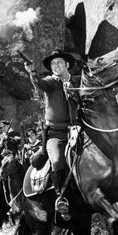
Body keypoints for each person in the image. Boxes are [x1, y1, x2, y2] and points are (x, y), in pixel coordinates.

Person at [24, 49, 80, 221]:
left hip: (78, 130)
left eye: (59, 63)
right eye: (53, 64)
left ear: (67, 65)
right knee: (56, 160)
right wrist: (32, 72)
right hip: (56, 135)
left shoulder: (78, 82)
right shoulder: (49, 82)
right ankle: (60, 197)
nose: (56, 66)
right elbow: (38, 83)